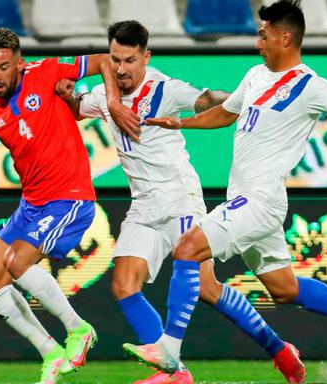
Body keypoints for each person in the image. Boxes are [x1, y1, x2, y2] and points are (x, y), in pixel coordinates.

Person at [123, 0, 327, 380]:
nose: (258, 43)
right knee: (283, 289)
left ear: (286, 37)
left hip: (260, 199)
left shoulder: (312, 85)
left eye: (263, 36)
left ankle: (170, 349)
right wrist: (183, 124)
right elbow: (227, 113)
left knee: (187, 247)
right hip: (246, 200)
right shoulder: (255, 76)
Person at [56, 20, 305, 384]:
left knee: (206, 287)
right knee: (124, 285)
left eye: (129, 60)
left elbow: (206, 100)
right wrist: (67, 94)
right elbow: (79, 108)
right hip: (143, 206)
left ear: (146, 57)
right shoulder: (105, 94)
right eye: (116, 60)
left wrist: (237, 99)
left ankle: (279, 349)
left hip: (181, 199)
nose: (122, 69)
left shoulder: (164, 88)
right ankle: (175, 373)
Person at [0, 27, 140, 384]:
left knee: (17, 263)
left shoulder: (46, 71)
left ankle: (78, 329)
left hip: (70, 196)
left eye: (3, 67)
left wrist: (112, 101)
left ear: (19, 64)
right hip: (32, 203)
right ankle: (49, 350)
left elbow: (102, 61)